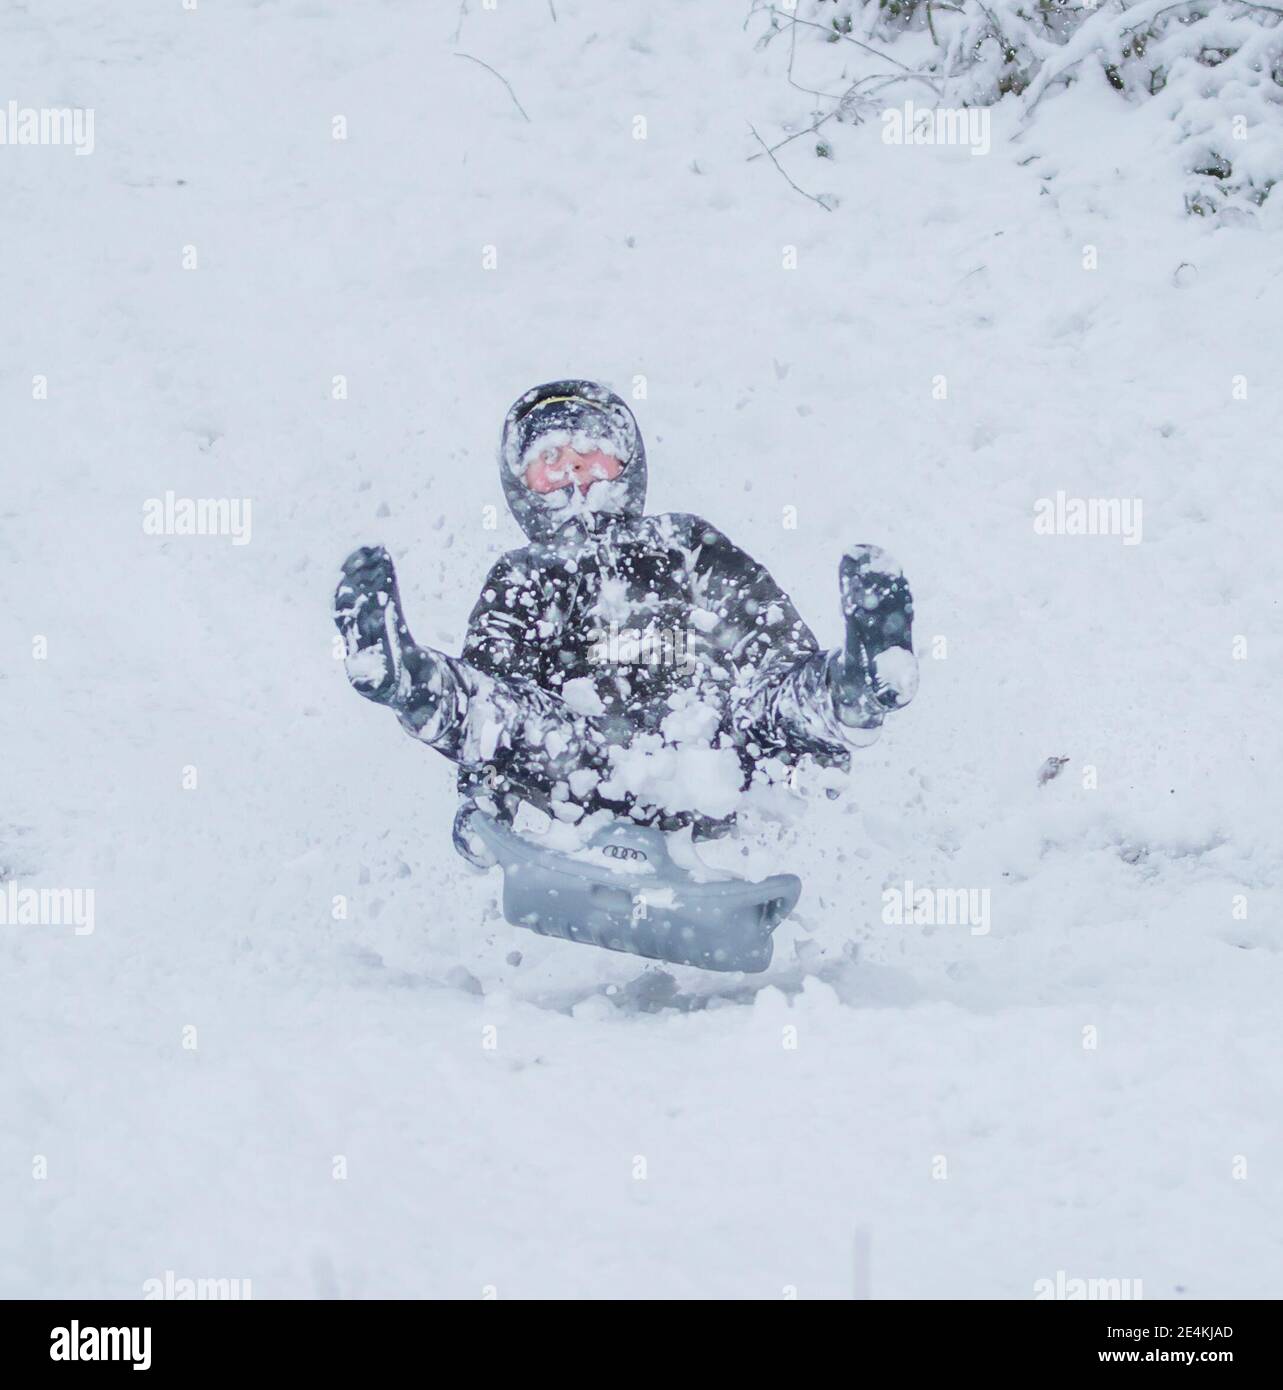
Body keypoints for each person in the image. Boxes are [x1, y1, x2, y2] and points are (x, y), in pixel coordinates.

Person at [334, 379, 917, 865]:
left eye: (590, 451)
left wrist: (799, 735)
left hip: (714, 757)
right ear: (522, 484)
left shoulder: (683, 541)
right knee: (506, 717)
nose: (574, 470)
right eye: (549, 459)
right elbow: (500, 696)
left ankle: (859, 687)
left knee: (772, 697)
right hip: (582, 771)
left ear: (627, 464)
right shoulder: (522, 575)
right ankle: (405, 678)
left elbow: (766, 636)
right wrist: (488, 804)